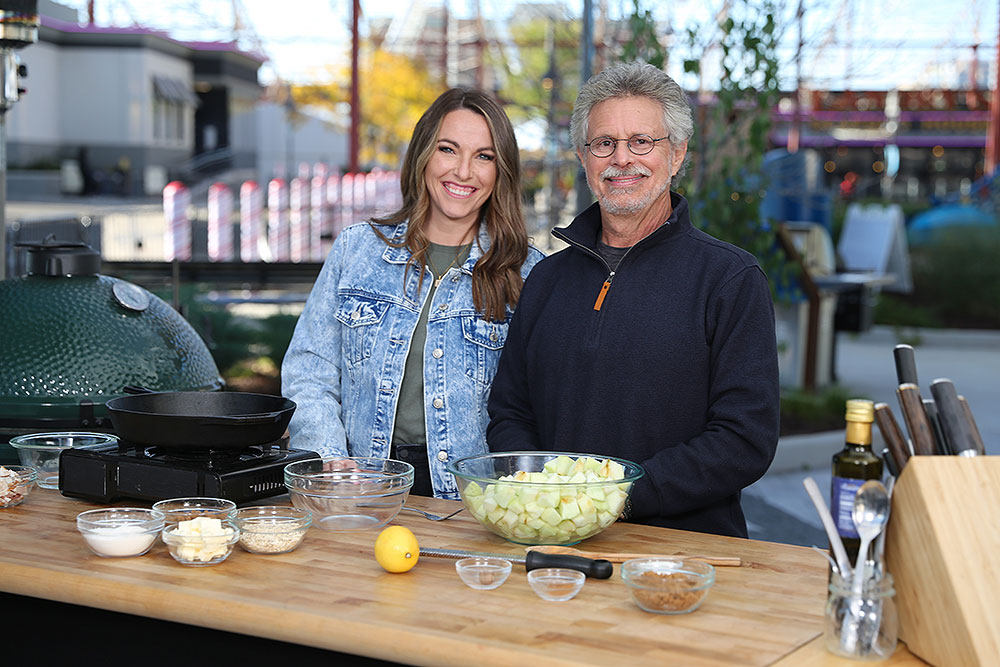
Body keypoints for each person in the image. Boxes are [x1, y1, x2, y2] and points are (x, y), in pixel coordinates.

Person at [486, 63, 780, 538]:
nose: (622, 159)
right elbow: (510, 413)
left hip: (685, 553)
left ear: (677, 154)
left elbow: (744, 440)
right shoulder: (546, 279)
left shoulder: (729, 279)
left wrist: (613, 497)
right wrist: (544, 495)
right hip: (554, 540)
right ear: (584, 159)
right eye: (604, 144)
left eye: (642, 141)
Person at [282, 88, 544, 499]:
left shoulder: (529, 272)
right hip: (362, 487)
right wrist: (329, 457)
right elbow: (309, 373)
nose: (463, 171)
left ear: (500, 171)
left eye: (484, 156)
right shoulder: (357, 250)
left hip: (473, 499)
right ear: (423, 155)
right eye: (448, 149)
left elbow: (535, 407)